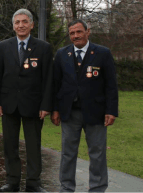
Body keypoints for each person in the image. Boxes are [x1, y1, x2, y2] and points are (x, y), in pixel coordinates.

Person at [51, 19, 118, 192]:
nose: (75, 36)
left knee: (97, 154)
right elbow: (55, 84)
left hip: (95, 112)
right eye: (72, 33)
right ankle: (66, 188)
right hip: (69, 112)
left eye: (79, 32)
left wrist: (111, 111)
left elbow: (111, 84)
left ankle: (97, 188)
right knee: (67, 154)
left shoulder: (102, 53)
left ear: (88, 32)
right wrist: (55, 109)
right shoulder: (61, 54)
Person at [0, 9, 53, 192]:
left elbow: (48, 79)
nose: (21, 25)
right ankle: (12, 181)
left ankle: (34, 183)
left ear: (32, 25)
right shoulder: (4, 46)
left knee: (33, 146)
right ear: (13, 26)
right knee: (10, 145)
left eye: (24, 22)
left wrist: (46, 105)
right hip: (9, 104)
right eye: (17, 22)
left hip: (33, 105)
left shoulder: (43, 47)